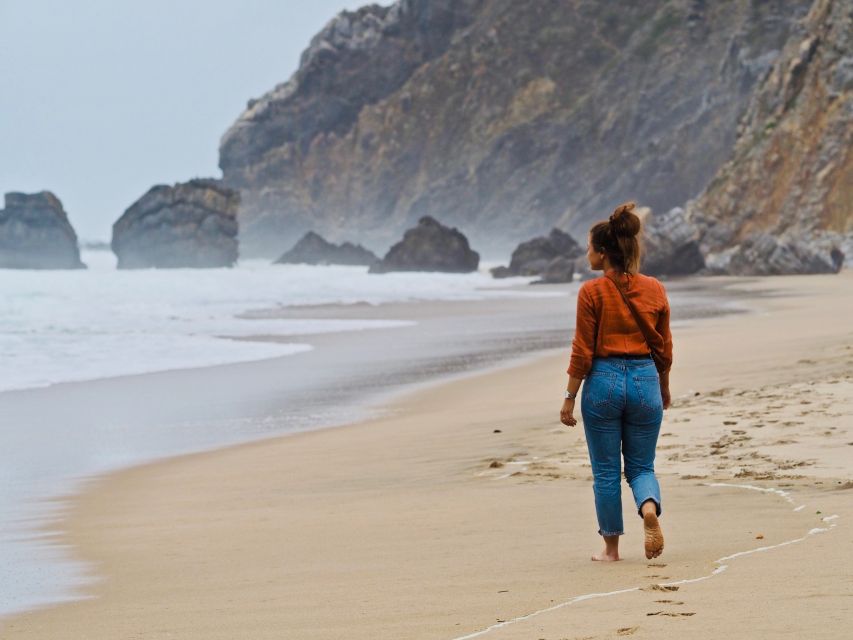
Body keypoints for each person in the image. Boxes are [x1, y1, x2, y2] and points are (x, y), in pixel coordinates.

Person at [559, 201, 673, 562]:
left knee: (606, 471)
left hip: (604, 381)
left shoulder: (591, 292)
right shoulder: (654, 288)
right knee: (641, 466)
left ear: (603, 252)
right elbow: (664, 348)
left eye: (590, 247)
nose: (587, 253)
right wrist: (664, 387)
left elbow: (582, 352)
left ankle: (611, 549)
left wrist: (568, 396)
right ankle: (649, 507)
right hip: (645, 378)